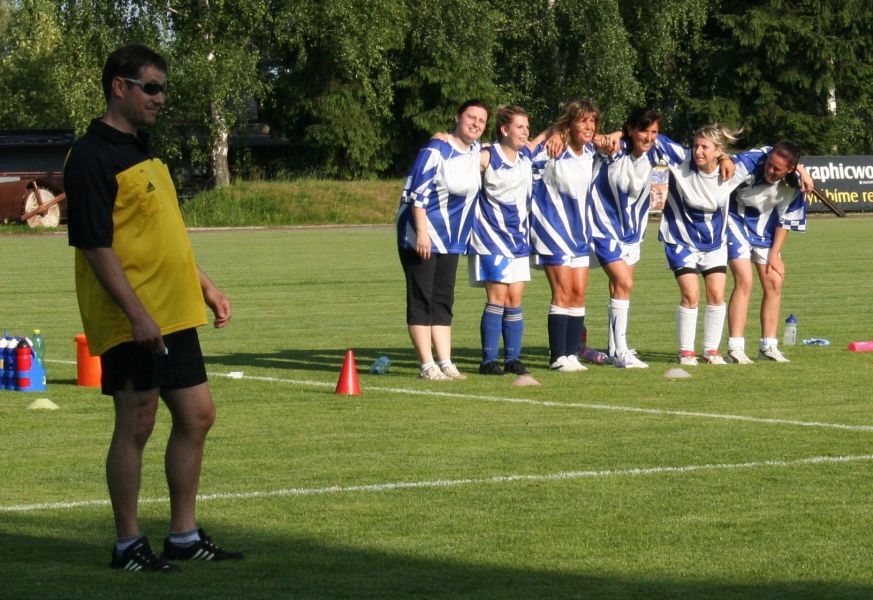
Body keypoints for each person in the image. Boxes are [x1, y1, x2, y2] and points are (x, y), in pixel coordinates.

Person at [65, 44, 242, 572]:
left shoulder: (145, 152)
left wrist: (206, 285)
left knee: (198, 415)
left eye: (163, 89)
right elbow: (95, 245)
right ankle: (128, 544)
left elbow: (165, 235)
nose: (160, 98)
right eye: (152, 88)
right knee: (137, 422)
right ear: (119, 87)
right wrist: (136, 313)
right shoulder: (90, 156)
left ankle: (183, 535)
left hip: (175, 312)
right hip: (132, 318)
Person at [396, 99, 490, 381]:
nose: (475, 124)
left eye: (481, 120)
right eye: (471, 117)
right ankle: (427, 365)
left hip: (452, 239)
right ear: (458, 118)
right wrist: (422, 233)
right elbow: (417, 194)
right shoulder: (435, 150)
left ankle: (446, 362)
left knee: (443, 298)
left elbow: (515, 145)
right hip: (421, 234)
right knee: (421, 298)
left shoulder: (477, 151)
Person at [657, 124, 751, 366]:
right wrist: (617, 134)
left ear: (718, 150)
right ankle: (686, 351)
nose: (697, 151)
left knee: (717, 295)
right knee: (691, 294)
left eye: (704, 147)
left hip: (714, 243)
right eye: (695, 145)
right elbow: (650, 135)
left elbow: (767, 154)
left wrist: (800, 170)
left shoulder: (732, 169)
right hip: (680, 239)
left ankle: (711, 351)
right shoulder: (681, 158)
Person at [530, 99, 610, 372]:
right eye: (582, 121)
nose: (589, 126)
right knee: (562, 292)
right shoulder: (553, 150)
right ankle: (558, 356)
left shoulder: (590, 152)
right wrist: (551, 133)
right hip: (553, 231)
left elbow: (619, 139)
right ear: (569, 123)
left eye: (592, 121)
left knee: (578, 293)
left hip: (580, 233)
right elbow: (524, 154)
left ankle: (572, 353)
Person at [588, 108, 666, 368]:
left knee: (618, 288)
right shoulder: (614, 149)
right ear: (631, 130)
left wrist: (723, 157)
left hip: (632, 234)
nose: (649, 137)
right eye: (643, 130)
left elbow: (687, 151)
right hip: (603, 229)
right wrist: (615, 135)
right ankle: (622, 351)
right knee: (625, 283)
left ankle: (614, 348)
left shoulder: (656, 154)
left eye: (654, 132)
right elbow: (587, 137)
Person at [725, 141, 809, 364]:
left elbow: (786, 221)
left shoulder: (796, 184)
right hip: (735, 221)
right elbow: (725, 167)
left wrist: (774, 254)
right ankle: (735, 348)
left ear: (790, 169)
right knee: (745, 280)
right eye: (770, 164)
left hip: (765, 231)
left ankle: (768, 346)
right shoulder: (752, 161)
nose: (770, 170)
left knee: (774, 281)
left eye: (777, 169)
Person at [468, 105, 535, 376]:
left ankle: (513, 359)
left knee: (515, 299)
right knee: (497, 297)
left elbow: (552, 136)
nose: (525, 132)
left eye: (527, 127)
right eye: (520, 127)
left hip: (518, 239)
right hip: (490, 238)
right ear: (504, 130)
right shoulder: (487, 156)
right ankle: (488, 361)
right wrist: (445, 137)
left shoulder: (525, 157)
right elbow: (459, 159)